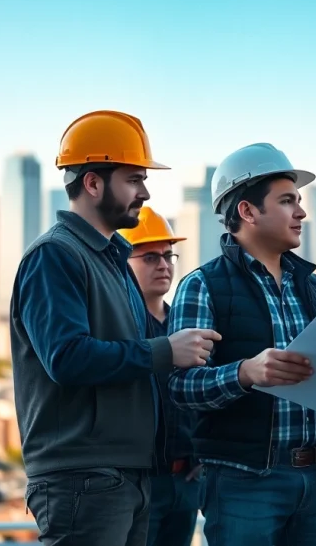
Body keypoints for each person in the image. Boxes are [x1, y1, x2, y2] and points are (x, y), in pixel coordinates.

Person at [167, 143, 316, 546]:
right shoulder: (202, 287)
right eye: (288, 200)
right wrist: (244, 373)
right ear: (248, 211)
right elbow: (180, 388)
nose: (301, 212)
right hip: (244, 484)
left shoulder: (313, 289)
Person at [11, 110, 220, 546]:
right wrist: (165, 351)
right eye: (133, 179)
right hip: (83, 478)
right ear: (92, 182)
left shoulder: (113, 262)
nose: (144, 192)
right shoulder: (55, 256)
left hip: (128, 474)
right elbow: (66, 358)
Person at [118, 206, 202, 546]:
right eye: (150, 257)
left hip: (186, 479)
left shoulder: (186, 324)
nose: (164, 265)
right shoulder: (122, 330)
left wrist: (201, 454)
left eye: (168, 256)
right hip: (141, 484)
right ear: (122, 263)